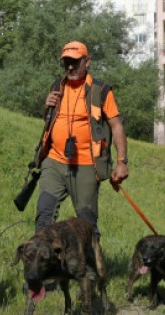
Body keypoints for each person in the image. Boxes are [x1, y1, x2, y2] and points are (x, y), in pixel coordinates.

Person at [34, 41, 129, 236]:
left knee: (86, 224)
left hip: (86, 165)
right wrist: (47, 106)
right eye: (66, 62)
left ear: (87, 62)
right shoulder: (57, 86)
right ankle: (43, 264)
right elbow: (50, 121)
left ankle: (92, 266)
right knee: (44, 216)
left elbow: (116, 125)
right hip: (54, 161)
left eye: (75, 62)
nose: (70, 67)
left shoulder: (100, 90)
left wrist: (121, 162)